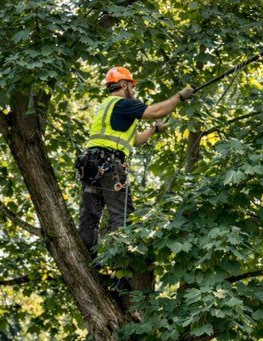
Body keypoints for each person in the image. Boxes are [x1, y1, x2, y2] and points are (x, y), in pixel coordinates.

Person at [76, 66, 194, 254]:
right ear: (124, 85)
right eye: (132, 86)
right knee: (122, 217)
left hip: (90, 166)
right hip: (109, 165)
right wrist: (179, 96)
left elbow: (134, 140)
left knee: (90, 219)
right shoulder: (123, 104)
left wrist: (154, 130)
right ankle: (120, 266)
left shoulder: (107, 107)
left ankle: (87, 260)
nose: (133, 90)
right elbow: (156, 111)